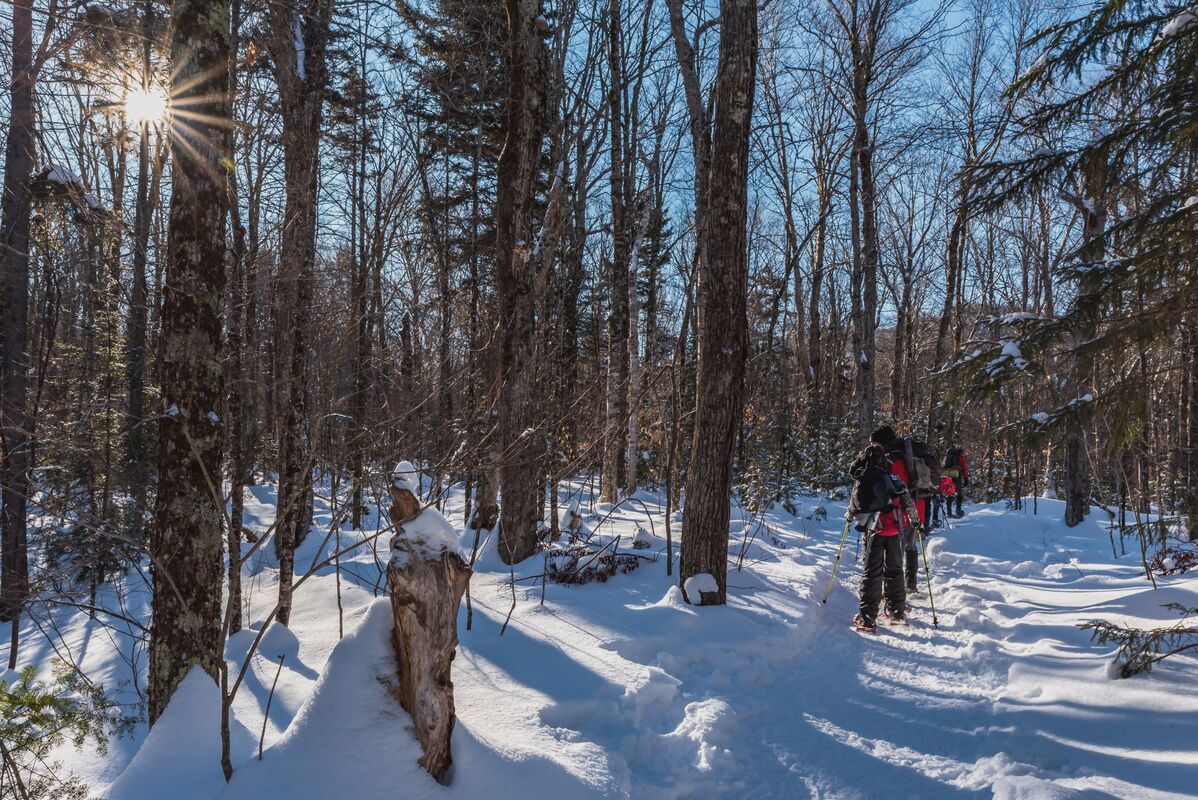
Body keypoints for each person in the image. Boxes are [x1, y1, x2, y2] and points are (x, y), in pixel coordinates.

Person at [853, 426, 920, 631]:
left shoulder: (864, 478)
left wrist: (850, 518)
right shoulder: (894, 478)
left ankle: (867, 618)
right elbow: (907, 501)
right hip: (894, 530)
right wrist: (915, 520)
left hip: (874, 531)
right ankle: (896, 612)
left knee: (872, 573)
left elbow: (854, 503)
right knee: (895, 571)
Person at [943, 444, 969, 517]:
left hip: (948, 476)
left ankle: (949, 512)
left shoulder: (947, 455)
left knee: (950, 494)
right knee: (959, 494)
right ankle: (958, 511)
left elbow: (943, 466)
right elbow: (964, 467)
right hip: (957, 476)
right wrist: (966, 478)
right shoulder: (959, 455)